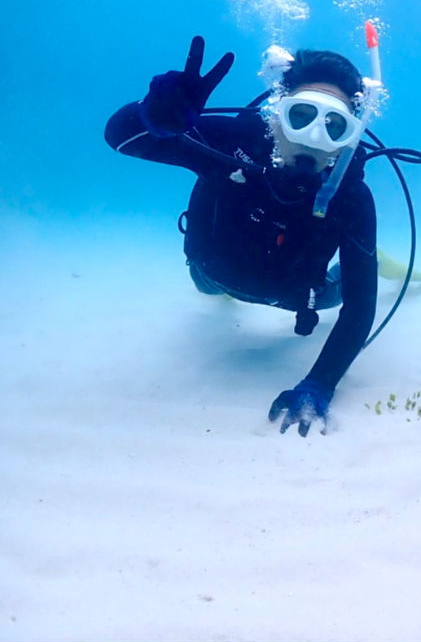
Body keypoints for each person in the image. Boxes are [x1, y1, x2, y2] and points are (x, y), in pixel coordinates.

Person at [104, 36, 378, 437]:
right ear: (277, 113)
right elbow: (119, 137)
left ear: (351, 135)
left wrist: (319, 383)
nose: (312, 137)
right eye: (301, 115)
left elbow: (358, 310)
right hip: (210, 274)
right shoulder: (234, 143)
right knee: (210, 289)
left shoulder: (349, 196)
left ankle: (378, 262)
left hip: (300, 296)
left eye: (334, 125)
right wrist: (151, 117)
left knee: (338, 290)